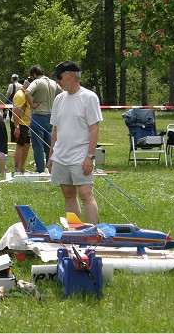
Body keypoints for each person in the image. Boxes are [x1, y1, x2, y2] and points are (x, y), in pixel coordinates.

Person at [48, 61, 103, 225]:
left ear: (70, 76)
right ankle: (76, 232)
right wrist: (51, 155)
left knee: (86, 193)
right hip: (61, 155)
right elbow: (56, 129)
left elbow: (94, 129)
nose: (57, 81)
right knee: (68, 193)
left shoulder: (89, 98)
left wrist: (89, 156)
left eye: (59, 77)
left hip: (81, 155)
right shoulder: (59, 99)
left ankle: (93, 232)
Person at [25, 64, 62, 173]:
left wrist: (32, 105)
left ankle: (40, 169)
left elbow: (27, 92)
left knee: (38, 145)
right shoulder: (53, 83)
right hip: (50, 117)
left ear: (34, 75)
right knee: (49, 145)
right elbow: (62, 94)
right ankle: (51, 167)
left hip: (38, 116)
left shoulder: (36, 82)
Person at [11, 78, 32, 173]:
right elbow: (15, 111)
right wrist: (17, 127)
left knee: (27, 145)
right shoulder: (20, 95)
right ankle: (17, 169)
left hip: (27, 123)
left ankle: (22, 167)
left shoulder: (27, 93)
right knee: (20, 146)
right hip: (20, 123)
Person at [5, 74, 23, 141]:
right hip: (19, 104)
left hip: (11, 104)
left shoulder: (10, 85)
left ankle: (13, 136)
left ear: (12, 79)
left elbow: (7, 95)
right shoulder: (21, 86)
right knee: (19, 118)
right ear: (18, 79)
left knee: (12, 119)